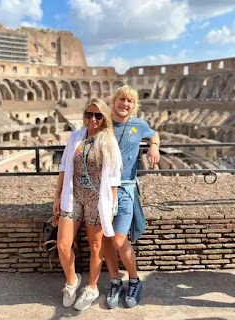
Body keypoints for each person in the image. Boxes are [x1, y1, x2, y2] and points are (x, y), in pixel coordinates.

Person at [53, 97, 122, 311]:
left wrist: (110, 207)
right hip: (73, 195)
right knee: (63, 245)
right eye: (89, 114)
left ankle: (92, 287)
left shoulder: (108, 141)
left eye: (98, 115)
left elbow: (113, 176)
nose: (93, 119)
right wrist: (57, 195)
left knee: (95, 246)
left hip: (96, 198)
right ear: (84, 116)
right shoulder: (75, 136)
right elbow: (64, 165)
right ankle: (72, 281)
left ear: (104, 118)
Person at [103, 85, 160, 308]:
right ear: (114, 101)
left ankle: (134, 280)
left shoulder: (139, 125)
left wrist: (154, 146)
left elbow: (154, 134)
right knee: (107, 238)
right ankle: (115, 281)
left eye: (129, 101)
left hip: (125, 189)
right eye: (121, 100)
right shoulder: (103, 123)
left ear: (134, 105)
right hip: (102, 190)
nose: (125, 104)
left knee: (118, 238)